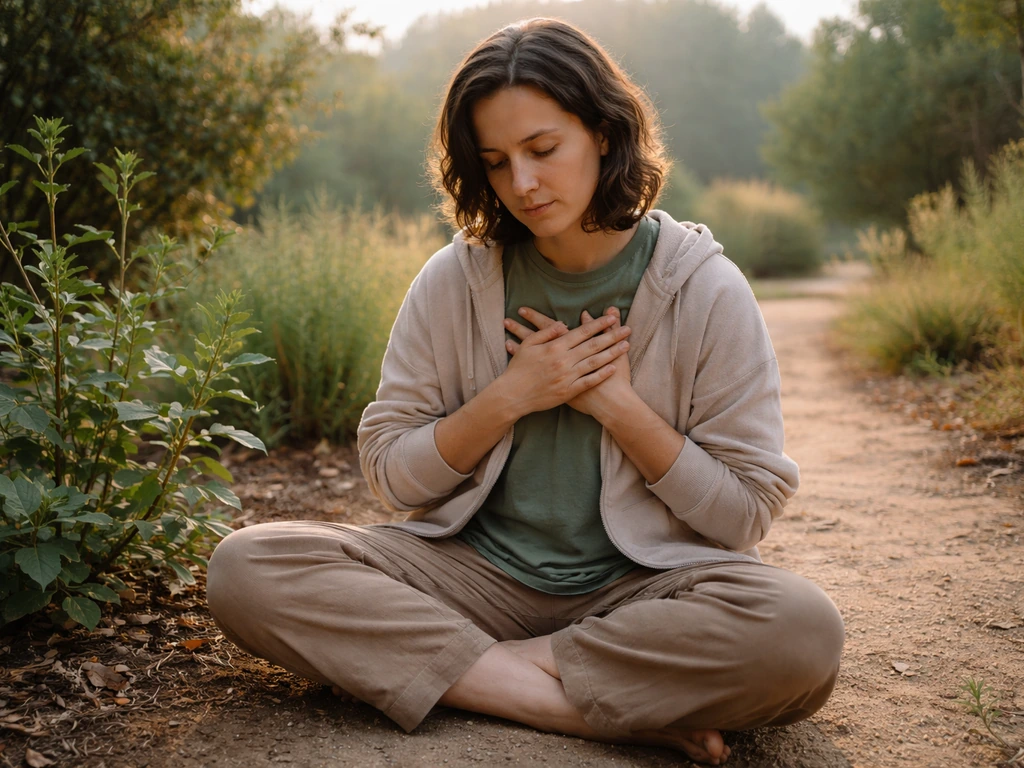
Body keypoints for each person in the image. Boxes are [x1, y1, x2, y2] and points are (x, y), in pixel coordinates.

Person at [205, 17, 844, 766]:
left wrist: (616, 405)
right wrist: (512, 395)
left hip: (645, 592)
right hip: (471, 577)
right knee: (247, 567)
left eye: (543, 150)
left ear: (605, 132)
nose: (523, 185)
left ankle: (472, 666)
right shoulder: (456, 280)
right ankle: (567, 700)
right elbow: (391, 474)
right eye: (498, 163)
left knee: (801, 632)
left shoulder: (704, 289)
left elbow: (741, 518)